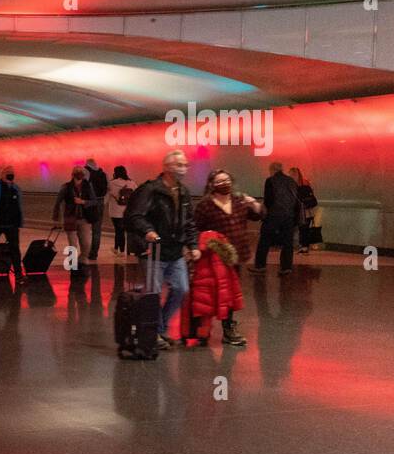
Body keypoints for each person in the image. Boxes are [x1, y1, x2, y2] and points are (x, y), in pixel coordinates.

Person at [125, 150, 201, 350]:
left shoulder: (184, 192)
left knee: (181, 289)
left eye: (185, 165)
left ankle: (160, 327)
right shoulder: (150, 190)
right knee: (153, 293)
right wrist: (148, 230)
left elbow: (189, 222)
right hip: (153, 250)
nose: (183, 169)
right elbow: (134, 216)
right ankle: (154, 331)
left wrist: (193, 245)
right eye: (179, 165)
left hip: (175, 251)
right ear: (167, 167)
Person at [193, 169, 262, 346]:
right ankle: (203, 327)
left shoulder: (239, 201)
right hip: (214, 256)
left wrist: (255, 204)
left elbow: (259, 214)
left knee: (230, 293)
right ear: (212, 185)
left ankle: (228, 328)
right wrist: (198, 248)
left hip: (236, 256)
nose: (225, 183)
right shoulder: (205, 205)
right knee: (211, 292)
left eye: (227, 180)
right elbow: (195, 228)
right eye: (220, 181)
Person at [251, 161, 300, 276]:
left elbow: (269, 200)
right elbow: (296, 200)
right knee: (288, 243)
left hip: (274, 215)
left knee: (264, 240)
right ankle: (286, 267)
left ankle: (260, 266)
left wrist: (263, 213)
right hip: (289, 216)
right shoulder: (291, 181)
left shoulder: (270, 181)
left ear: (273, 170)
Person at [52, 166, 98, 268]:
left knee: (86, 243)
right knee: (72, 243)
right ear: (73, 175)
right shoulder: (66, 187)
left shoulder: (88, 186)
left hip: (84, 218)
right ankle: (72, 263)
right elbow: (58, 202)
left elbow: (94, 201)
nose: (80, 174)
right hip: (70, 218)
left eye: (81, 172)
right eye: (77, 172)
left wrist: (83, 202)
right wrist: (56, 218)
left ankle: (82, 259)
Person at [107, 165, 136, 257]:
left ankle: (122, 250)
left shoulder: (111, 183)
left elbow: (108, 193)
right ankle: (116, 248)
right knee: (122, 230)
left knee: (118, 230)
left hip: (115, 211)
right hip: (127, 211)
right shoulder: (132, 183)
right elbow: (137, 194)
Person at [83, 158, 108, 262]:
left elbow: (83, 185)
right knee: (97, 230)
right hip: (100, 201)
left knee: (83, 228)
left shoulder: (85, 171)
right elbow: (108, 188)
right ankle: (94, 253)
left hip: (89, 202)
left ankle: (85, 251)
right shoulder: (103, 173)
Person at [290, 166, 318, 253]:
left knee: (301, 229)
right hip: (307, 211)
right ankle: (304, 246)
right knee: (304, 229)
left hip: (300, 211)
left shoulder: (293, 186)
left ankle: (302, 246)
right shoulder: (305, 184)